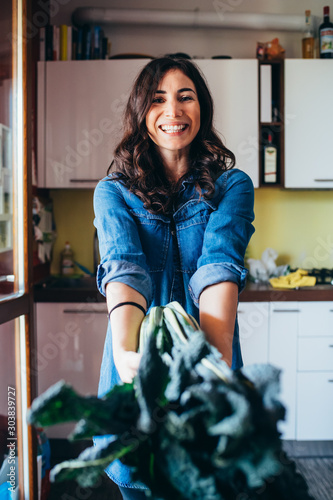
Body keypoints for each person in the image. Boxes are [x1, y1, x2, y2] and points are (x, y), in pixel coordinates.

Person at [93, 56, 255, 500]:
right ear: (141, 113)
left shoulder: (233, 186)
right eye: (158, 99)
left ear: (202, 108)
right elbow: (125, 267)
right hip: (136, 365)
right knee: (140, 478)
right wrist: (129, 358)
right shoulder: (113, 191)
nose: (173, 111)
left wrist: (210, 367)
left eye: (186, 97)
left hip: (207, 358)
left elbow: (219, 267)